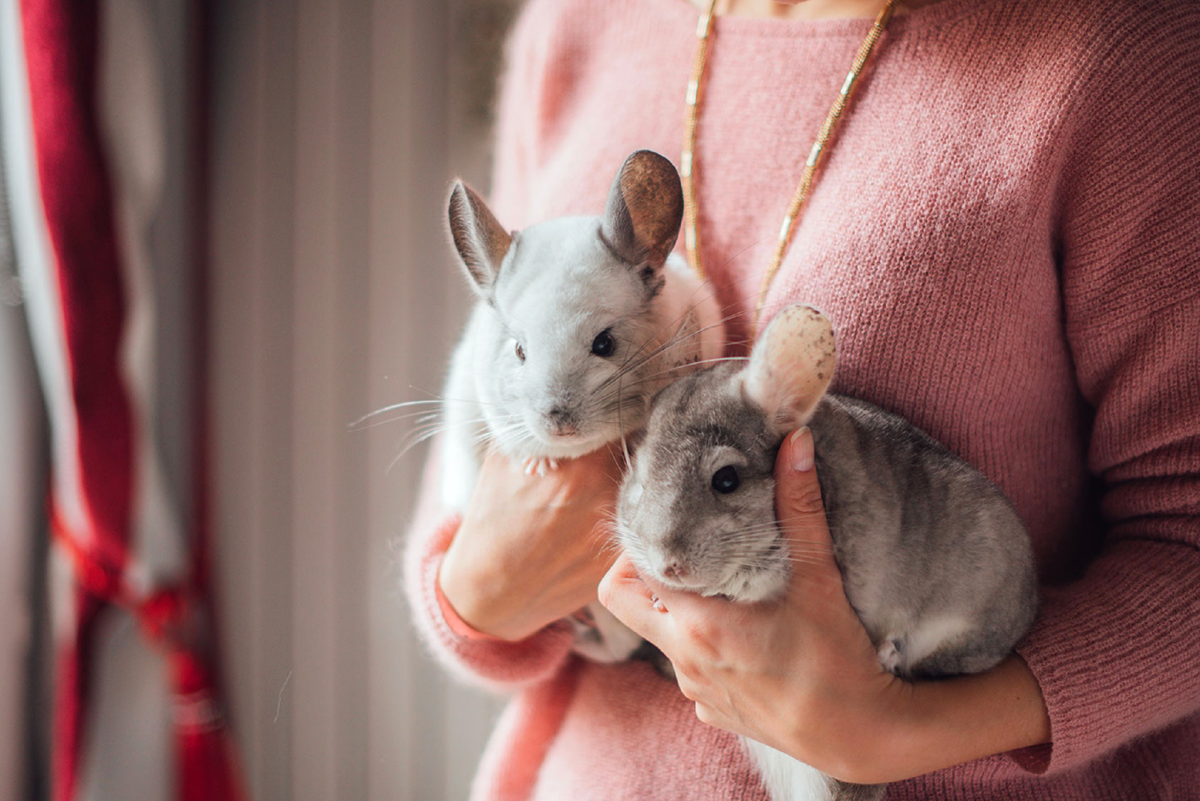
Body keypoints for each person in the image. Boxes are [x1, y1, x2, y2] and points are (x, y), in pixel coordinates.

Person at [405, 0, 1200, 797]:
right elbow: (464, 483)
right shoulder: (576, 20)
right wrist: (481, 592)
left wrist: (902, 729)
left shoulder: (1123, 57)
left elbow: (1185, 540)